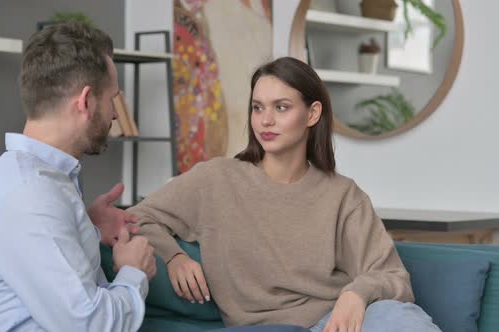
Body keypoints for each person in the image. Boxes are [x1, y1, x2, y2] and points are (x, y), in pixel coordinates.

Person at [128, 57, 441, 332]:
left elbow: (394, 277)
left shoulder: (343, 195)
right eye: (257, 108)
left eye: (281, 107)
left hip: (339, 321)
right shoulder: (216, 179)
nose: (265, 120)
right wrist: (174, 256)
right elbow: (138, 217)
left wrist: (356, 294)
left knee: (401, 320)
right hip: (267, 328)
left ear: (312, 114)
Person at [0, 22, 156, 332]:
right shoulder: (30, 194)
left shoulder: (42, 181)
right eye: (111, 99)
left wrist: (84, 228)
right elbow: (92, 325)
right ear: (86, 101)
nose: (116, 114)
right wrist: (133, 272)